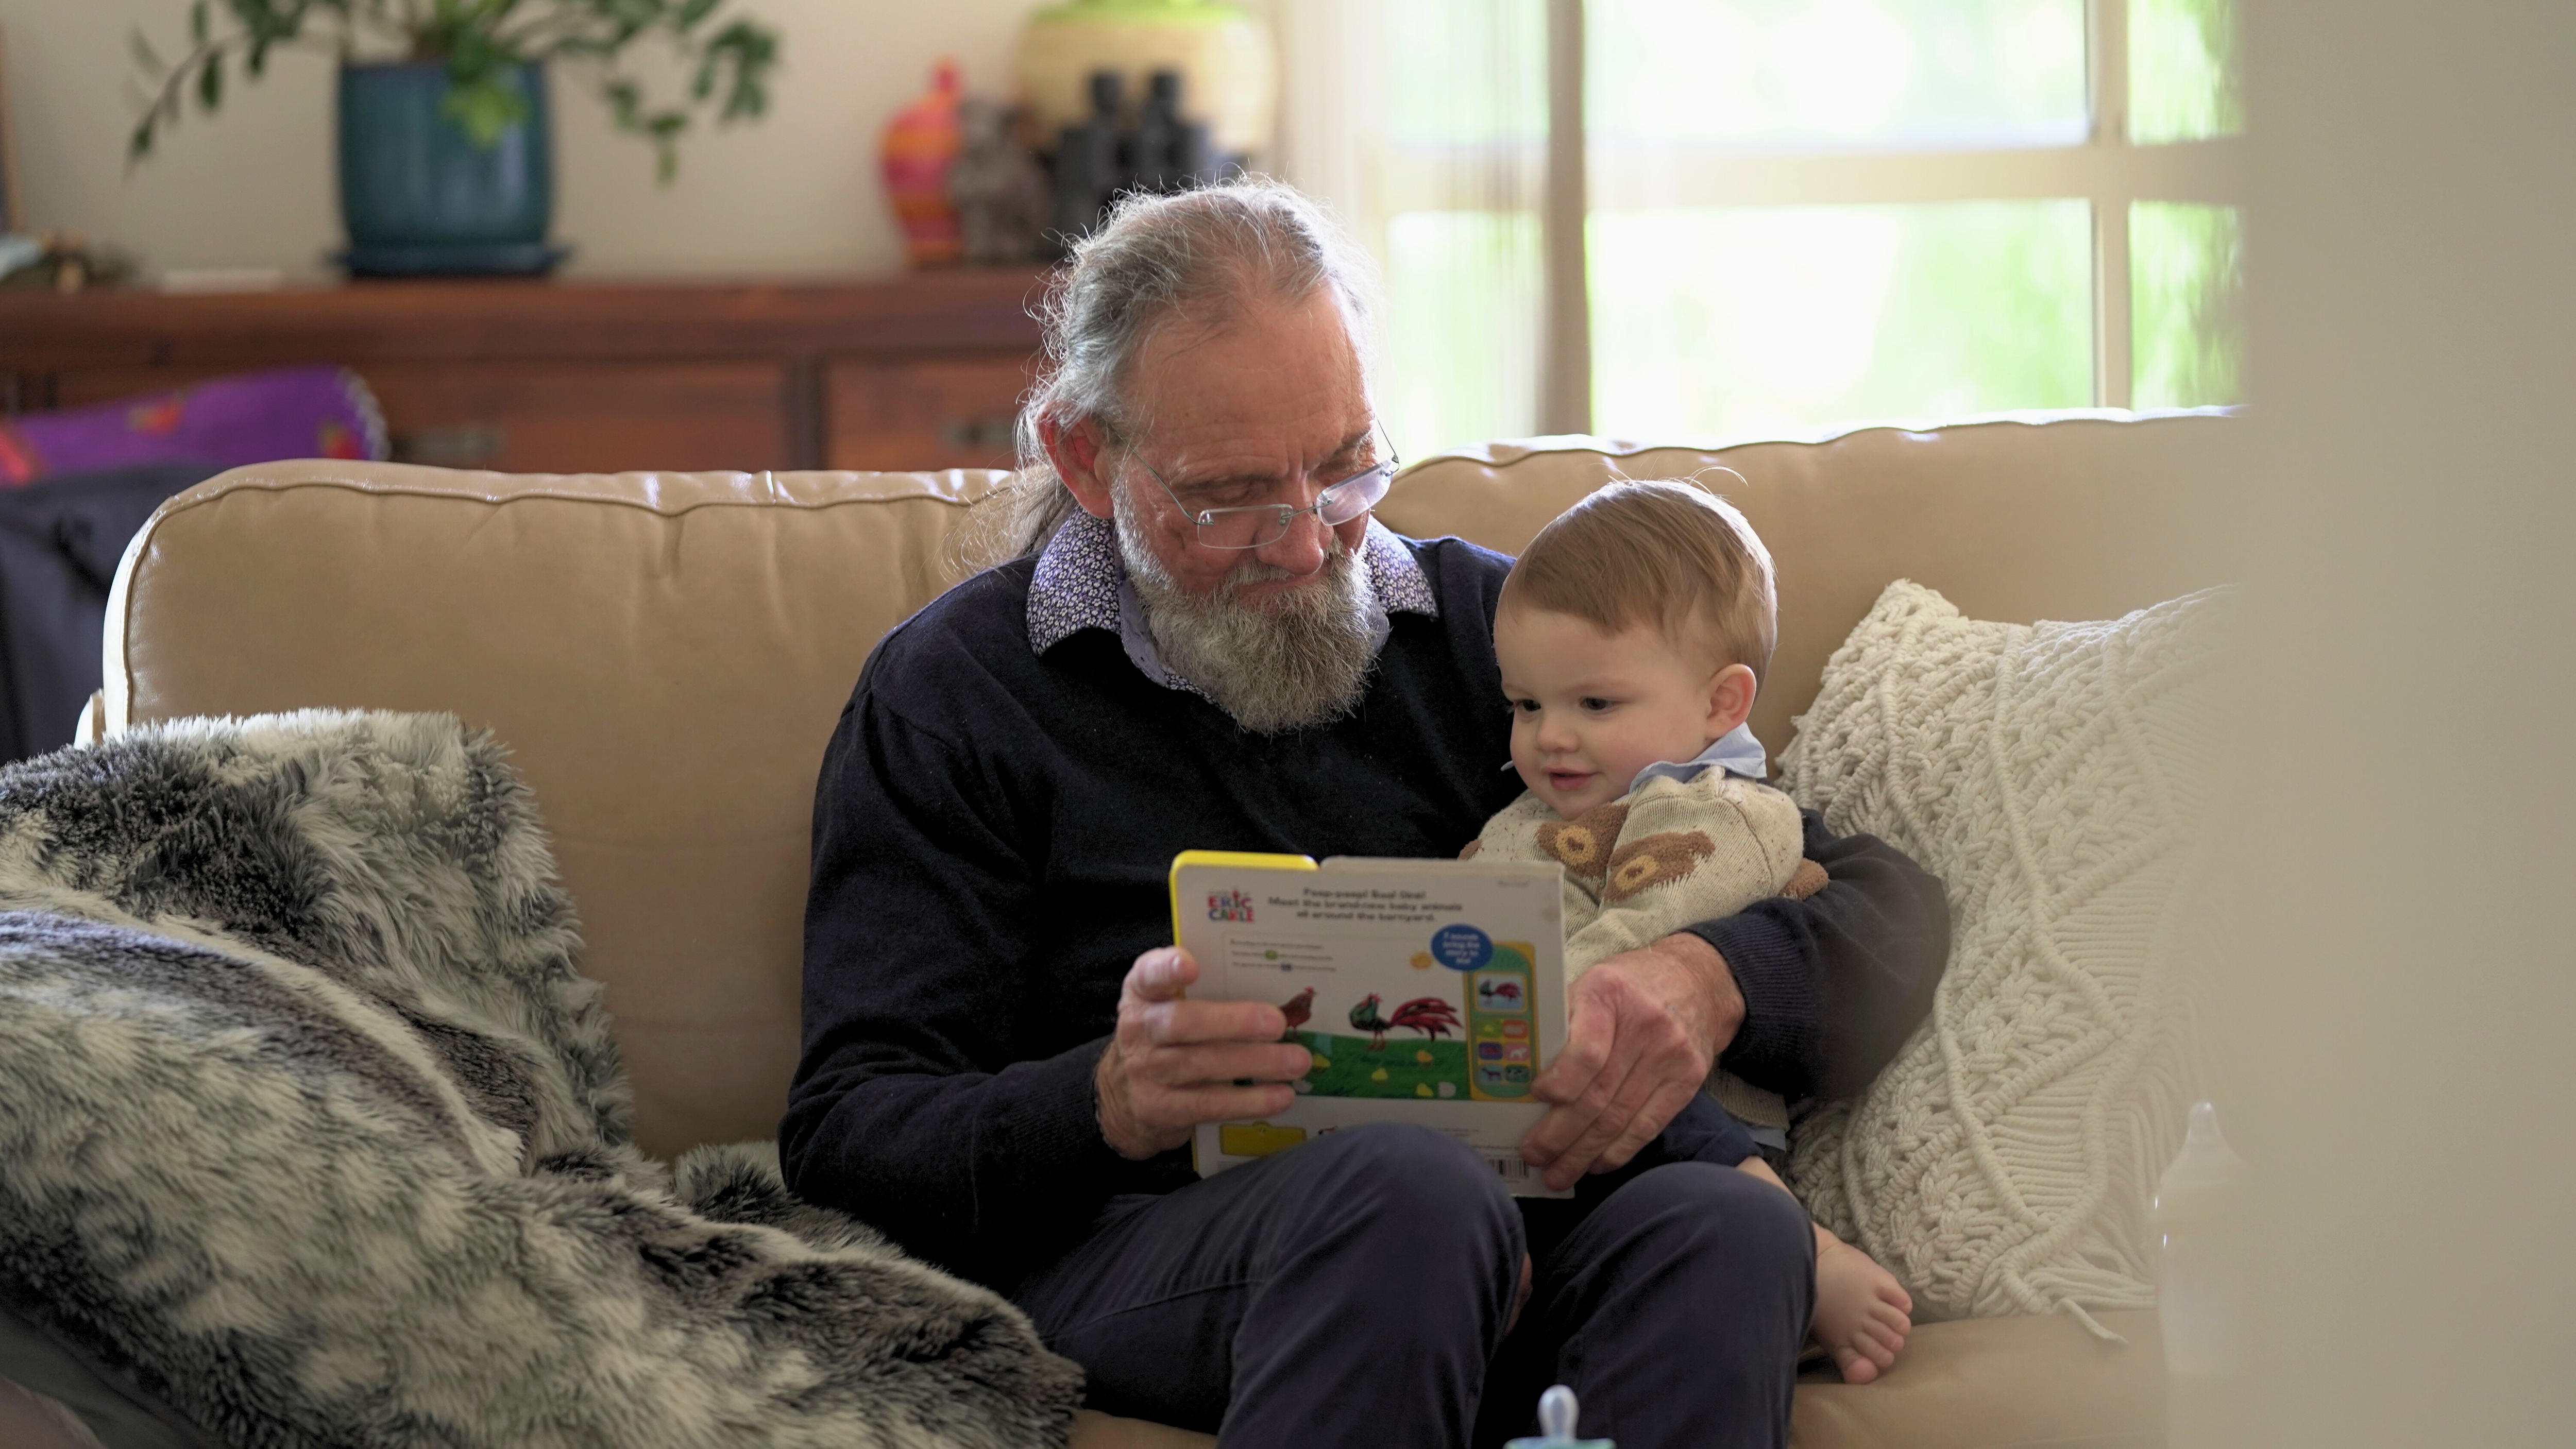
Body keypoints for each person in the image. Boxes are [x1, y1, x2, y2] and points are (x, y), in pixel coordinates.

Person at [783, 178, 1949, 1449]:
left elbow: (1878, 904)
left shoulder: (1496, 647)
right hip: (1151, 1249)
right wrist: (1105, 1099)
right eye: (1232, 497)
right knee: (1407, 1187)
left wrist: (1706, 977)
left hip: (1527, 1226)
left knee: (1730, 1228)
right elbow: (849, 1131)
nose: (1303, 544)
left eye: (1342, 470)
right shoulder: (957, 694)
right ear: (1087, 458)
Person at [1465, 478, 1915, 1384]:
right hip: (1539, 1139)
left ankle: (1801, 1244)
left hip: (1690, 1142)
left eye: (1595, 705)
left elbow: (1633, 953)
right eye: (1526, 705)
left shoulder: (1724, 816)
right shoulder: (1525, 817)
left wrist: (1488, 1009)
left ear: (1721, 704)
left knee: (1610, 1038)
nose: (1550, 737)